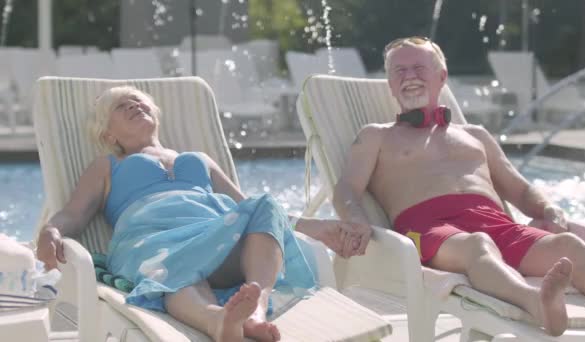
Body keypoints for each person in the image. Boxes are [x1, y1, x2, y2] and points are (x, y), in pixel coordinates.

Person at [36, 85, 363, 342]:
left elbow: (248, 206)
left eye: (139, 101)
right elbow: (74, 214)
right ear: (109, 135)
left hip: (217, 234)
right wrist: (51, 230)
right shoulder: (108, 165)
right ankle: (217, 320)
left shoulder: (199, 159)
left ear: (156, 114)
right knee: (173, 269)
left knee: (264, 202)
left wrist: (317, 227)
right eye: (122, 106)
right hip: (155, 242)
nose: (135, 105)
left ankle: (256, 309)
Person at [332, 36, 585, 337]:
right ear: (390, 84)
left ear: (442, 77)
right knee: (477, 246)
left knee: (568, 246)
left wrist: (549, 209)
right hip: (429, 229)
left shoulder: (475, 135)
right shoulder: (377, 136)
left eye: (418, 68)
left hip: (497, 223)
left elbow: (521, 190)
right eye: (399, 71)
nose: (409, 76)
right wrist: (355, 220)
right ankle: (538, 304)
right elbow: (346, 189)